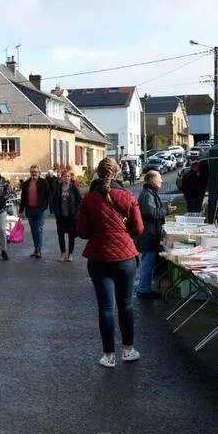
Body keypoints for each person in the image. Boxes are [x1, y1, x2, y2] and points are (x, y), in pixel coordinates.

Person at [77, 157, 144, 368]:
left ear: (98, 173)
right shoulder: (128, 197)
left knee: (105, 308)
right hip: (125, 257)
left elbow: (82, 232)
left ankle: (108, 356)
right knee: (126, 305)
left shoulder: (89, 199)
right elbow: (139, 229)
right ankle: (128, 349)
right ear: (117, 173)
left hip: (99, 257)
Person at [136, 171, 174, 299]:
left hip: (151, 233)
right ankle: (143, 290)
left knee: (149, 262)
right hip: (149, 235)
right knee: (147, 262)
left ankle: (145, 288)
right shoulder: (147, 195)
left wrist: (163, 208)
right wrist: (166, 210)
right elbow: (151, 213)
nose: (161, 181)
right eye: (159, 179)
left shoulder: (149, 193)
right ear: (152, 181)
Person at [49, 169, 82, 262]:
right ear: (62, 177)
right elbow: (53, 199)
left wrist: (76, 211)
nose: (67, 178)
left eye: (68, 176)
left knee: (71, 235)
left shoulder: (73, 187)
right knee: (61, 235)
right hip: (60, 216)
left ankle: (70, 254)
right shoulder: (58, 187)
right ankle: (63, 253)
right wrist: (54, 210)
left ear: (70, 178)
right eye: (65, 176)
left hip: (71, 216)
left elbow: (80, 200)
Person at [19, 165, 51, 259]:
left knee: (38, 229)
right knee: (33, 231)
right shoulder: (26, 183)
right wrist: (21, 210)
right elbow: (23, 198)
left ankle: (38, 250)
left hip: (40, 209)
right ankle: (36, 249)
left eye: (35, 172)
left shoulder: (43, 182)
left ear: (39, 172)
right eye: (32, 172)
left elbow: (48, 194)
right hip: (30, 209)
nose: (34, 173)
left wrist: (45, 206)